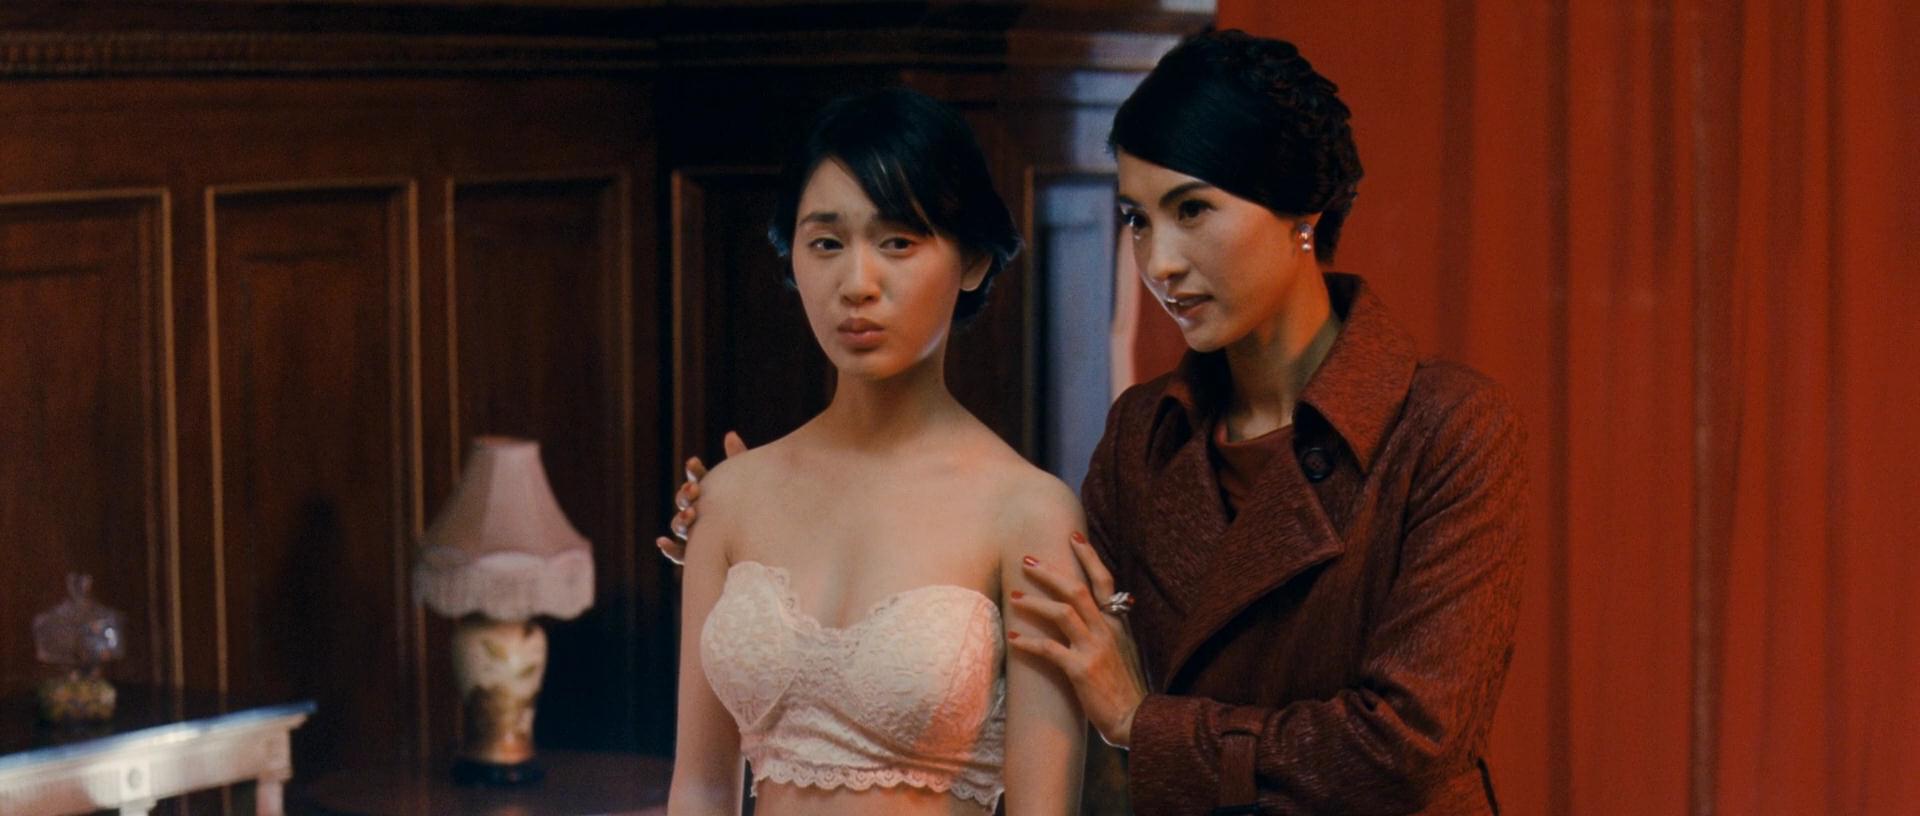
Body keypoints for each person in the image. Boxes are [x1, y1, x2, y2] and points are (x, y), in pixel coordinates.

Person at [668, 30, 1526, 815]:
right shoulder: (1144, 437)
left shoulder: (1448, 431)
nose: (1159, 262)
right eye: (1136, 221)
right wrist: (780, 510)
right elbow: (1051, 676)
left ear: (1303, 207)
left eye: (1192, 211)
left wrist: (1144, 721)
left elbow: (1409, 748)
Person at [665, 88, 1087, 816]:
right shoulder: (731, 497)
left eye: (898, 242)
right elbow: (700, 787)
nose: (856, 285)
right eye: (826, 244)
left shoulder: (1027, 513)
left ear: (972, 261)